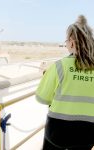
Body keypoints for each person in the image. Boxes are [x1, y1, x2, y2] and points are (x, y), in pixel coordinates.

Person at [36, 15, 94, 150]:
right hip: (89, 133)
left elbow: (41, 98)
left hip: (58, 132)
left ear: (72, 43)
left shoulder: (59, 66)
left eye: (66, 41)